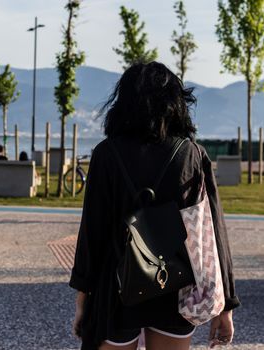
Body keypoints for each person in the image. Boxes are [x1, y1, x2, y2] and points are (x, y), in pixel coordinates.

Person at [70, 62, 240, 350]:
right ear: (176, 103)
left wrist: (83, 300)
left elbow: (92, 233)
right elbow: (212, 234)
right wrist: (225, 307)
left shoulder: (106, 154)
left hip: (116, 289)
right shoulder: (191, 155)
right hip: (174, 288)